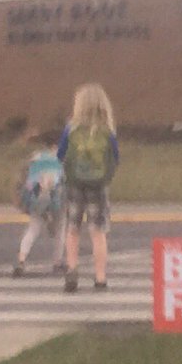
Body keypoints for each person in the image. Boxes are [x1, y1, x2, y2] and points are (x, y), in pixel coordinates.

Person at [57, 83, 119, 292]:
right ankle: (100, 277)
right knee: (98, 231)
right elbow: (115, 158)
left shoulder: (71, 129)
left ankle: (72, 271)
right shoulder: (107, 131)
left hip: (74, 184)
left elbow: (61, 155)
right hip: (99, 186)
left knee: (73, 230)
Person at [11, 129, 67, 276]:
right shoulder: (61, 158)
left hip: (36, 199)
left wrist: (21, 200)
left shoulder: (35, 157)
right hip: (56, 200)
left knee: (33, 229)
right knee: (61, 229)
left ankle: (21, 259)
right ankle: (57, 261)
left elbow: (23, 179)